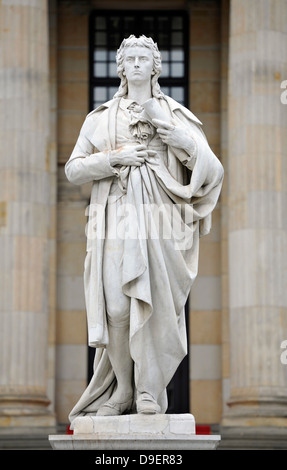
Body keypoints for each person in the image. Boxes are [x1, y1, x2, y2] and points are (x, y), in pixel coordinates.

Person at [65, 35, 223, 422]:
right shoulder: (100, 118)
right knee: (117, 308)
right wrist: (113, 158)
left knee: (155, 310)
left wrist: (181, 139)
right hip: (115, 218)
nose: (136, 64)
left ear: (155, 66)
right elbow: (73, 169)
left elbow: (213, 170)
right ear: (121, 67)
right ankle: (122, 389)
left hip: (160, 221)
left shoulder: (175, 113)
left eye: (143, 58)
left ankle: (150, 391)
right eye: (129, 58)